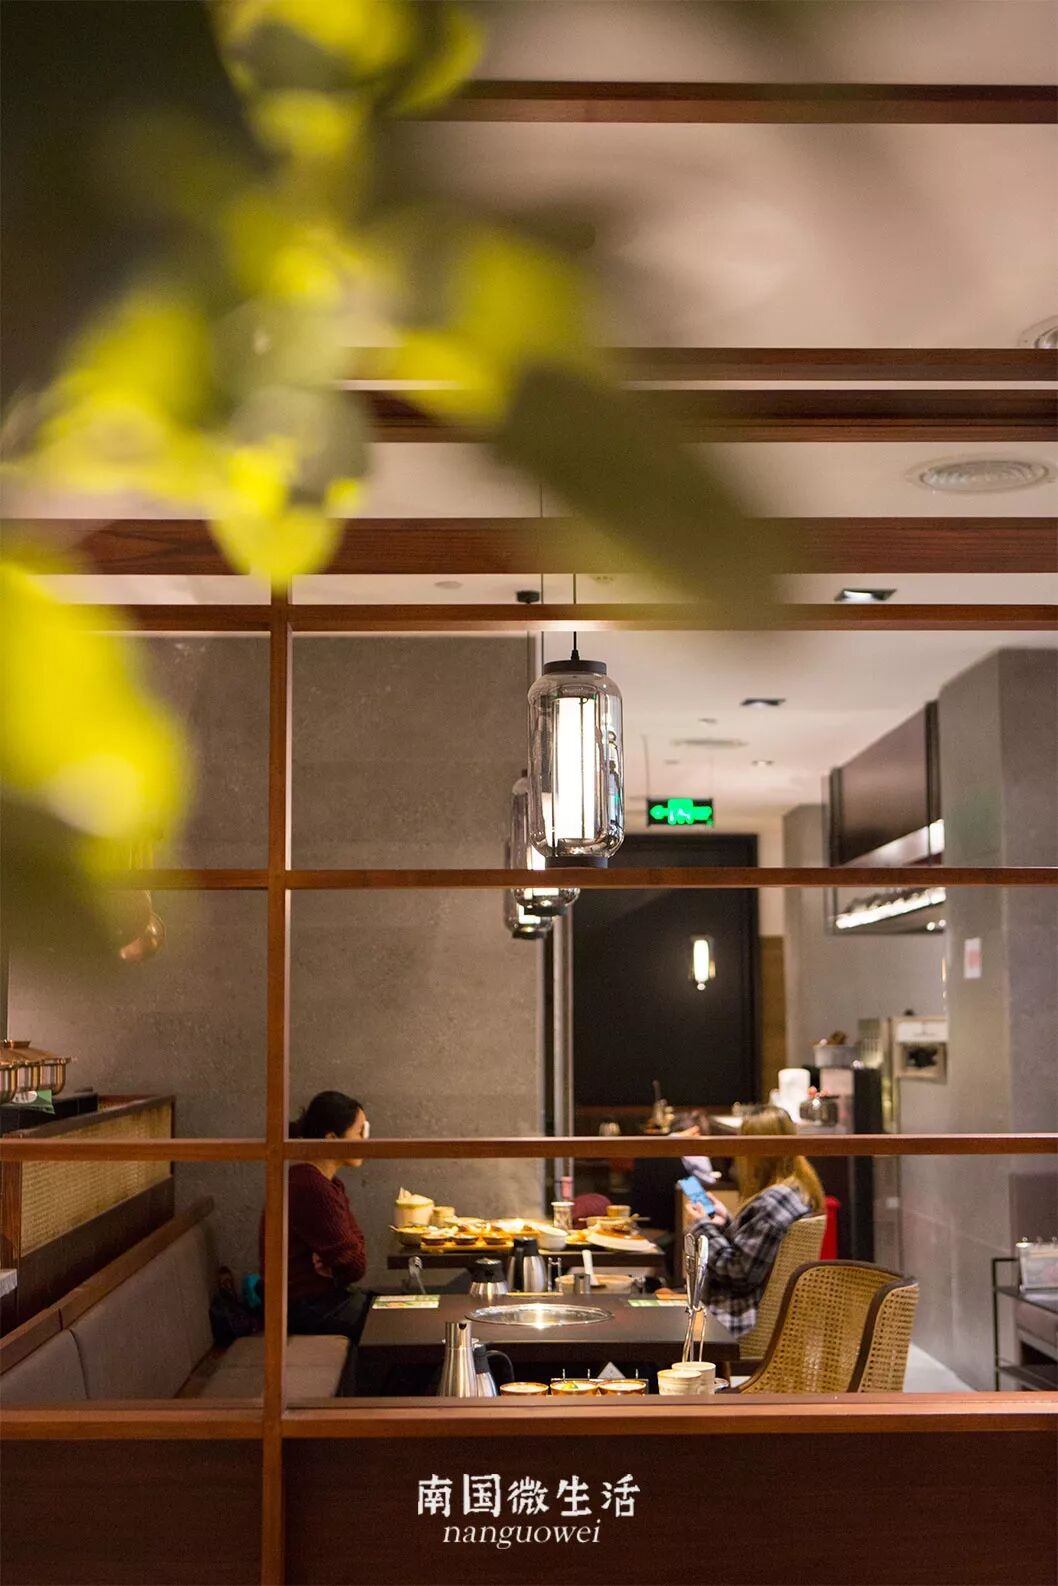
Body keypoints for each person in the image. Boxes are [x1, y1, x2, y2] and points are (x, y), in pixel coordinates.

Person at [262, 1090, 371, 1394]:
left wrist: (338, 1262)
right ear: (332, 1139)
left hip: (319, 1300)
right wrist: (343, 1263)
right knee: (389, 1327)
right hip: (305, 1309)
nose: (366, 1141)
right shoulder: (311, 1186)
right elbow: (356, 1265)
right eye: (360, 1132)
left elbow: (356, 1246)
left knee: (395, 1311)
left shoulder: (325, 1182)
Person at [689, 1105, 825, 1339]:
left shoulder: (773, 1201)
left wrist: (703, 1227)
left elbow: (739, 1273)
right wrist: (726, 1222)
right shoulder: (797, 1189)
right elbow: (754, 1250)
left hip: (735, 1319)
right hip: (756, 1314)